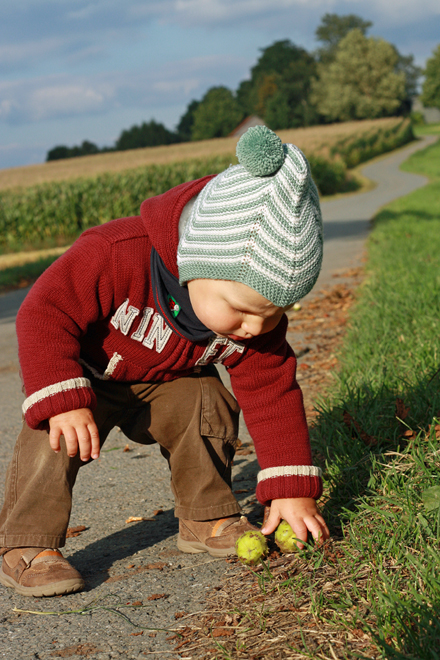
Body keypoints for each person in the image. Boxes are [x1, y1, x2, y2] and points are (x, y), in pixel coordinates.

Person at [0, 126, 329, 598]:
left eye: (275, 312)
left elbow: (273, 395)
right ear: (198, 261)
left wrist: (292, 488)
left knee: (205, 397)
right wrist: (62, 394)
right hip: (88, 379)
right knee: (54, 429)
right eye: (241, 309)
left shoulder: (251, 327)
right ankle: (28, 546)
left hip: (166, 386)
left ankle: (206, 514)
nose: (256, 328)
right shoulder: (117, 254)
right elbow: (44, 310)